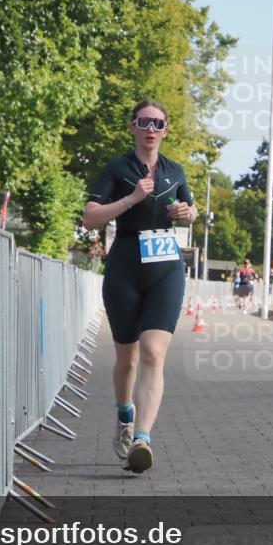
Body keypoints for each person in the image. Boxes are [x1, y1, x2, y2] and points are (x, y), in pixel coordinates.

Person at [81, 98, 197, 473]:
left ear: (165, 131)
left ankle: (142, 439)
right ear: (132, 127)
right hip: (125, 265)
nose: (151, 130)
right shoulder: (117, 168)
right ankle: (125, 414)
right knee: (127, 358)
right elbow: (89, 217)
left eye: (158, 124)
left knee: (153, 353)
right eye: (144, 122)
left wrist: (186, 212)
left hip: (165, 266)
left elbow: (191, 209)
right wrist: (132, 198)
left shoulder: (175, 171)